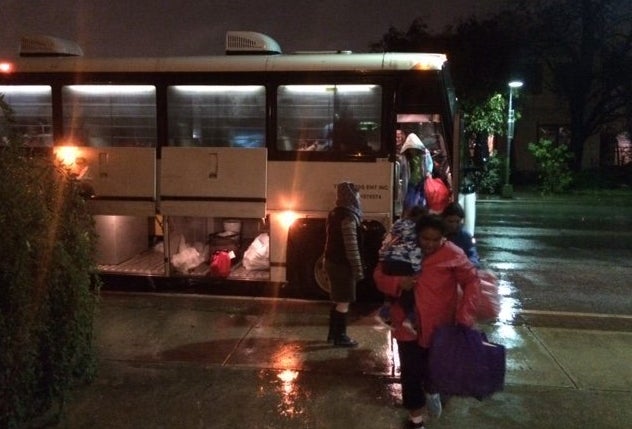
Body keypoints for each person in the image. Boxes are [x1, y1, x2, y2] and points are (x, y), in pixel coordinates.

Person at [373, 214, 480, 429]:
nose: (430, 244)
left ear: (443, 237)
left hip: (438, 328)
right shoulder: (401, 248)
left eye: (435, 239)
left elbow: (472, 281)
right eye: (425, 239)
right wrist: (397, 282)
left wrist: (464, 316)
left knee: (434, 371)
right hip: (406, 326)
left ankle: (432, 390)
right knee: (411, 374)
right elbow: (378, 275)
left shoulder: (452, 253)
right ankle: (416, 420)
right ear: (416, 235)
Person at [324, 181, 365, 347]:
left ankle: (333, 334)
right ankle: (340, 337)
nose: (359, 197)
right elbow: (351, 247)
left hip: (332, 261)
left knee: (337, 299)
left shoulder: (334, 213)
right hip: (343, 265)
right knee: (344, 301)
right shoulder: (348, 217)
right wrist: (358, 270)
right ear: (351, 196)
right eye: (357, 194)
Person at [375, 205, 426, 334]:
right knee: (409, 290)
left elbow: (385, 243)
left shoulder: (397, 226)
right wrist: (417, 269)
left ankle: (385, 311)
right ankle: (410, 318)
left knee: (392, 294)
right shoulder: (417, 230)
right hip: (404, 262)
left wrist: (383, 259)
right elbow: (414, 252)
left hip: (388, 261)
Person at [400, 133, 434, 213]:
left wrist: (429, 172)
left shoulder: (425, 153)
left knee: (421, 199)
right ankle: (411, 213)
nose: (412, 150)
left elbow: (430, 163)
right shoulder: (405, 156)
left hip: (422, 180)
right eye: (411, 149)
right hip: (411, 181)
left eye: (413, 148)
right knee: (410, 200)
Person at [442, 202, 480, 268]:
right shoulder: (437, 233)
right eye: (450, 221)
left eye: (457, 222)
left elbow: (473, 255)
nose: (454, 225)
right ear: (443, 220)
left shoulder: (466, 236)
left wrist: (469, 265)